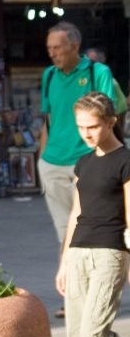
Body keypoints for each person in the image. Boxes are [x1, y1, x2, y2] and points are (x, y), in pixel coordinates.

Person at [55, 92, 130, 337]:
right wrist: (63, 263)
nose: (86, 133)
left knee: (93, 332)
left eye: (93, 126)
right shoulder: (83, 163)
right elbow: (75, 213)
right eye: (81, 127)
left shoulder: (125, 160)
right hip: (78, 253)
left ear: (111, 122)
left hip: (109, 252)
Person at [39, 22, 115, 317]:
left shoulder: (98, 73)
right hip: (53, 164)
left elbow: (109, 117)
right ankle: (74, 298)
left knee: (93, 231)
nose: (52, 53)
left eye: (57, 47)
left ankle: (97, 295)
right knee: (65, 233)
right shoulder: (49, 75)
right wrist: (42, 161)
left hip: (88, 163)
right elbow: (47, 120)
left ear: (74, 46)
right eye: (49, 48)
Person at [84, 48, 128, 120]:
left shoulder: (104, 75)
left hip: (118, 109)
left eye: (94, 60)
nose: (90, 62)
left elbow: (108, 99)